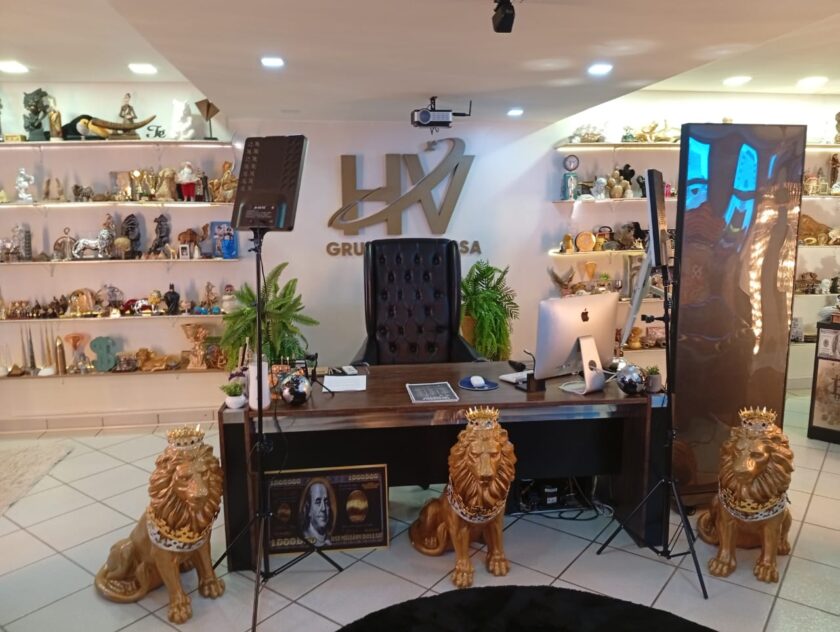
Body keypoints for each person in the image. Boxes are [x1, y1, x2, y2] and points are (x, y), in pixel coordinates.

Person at [301, 479, 333, 547]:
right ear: (308, 509)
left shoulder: (328, 538)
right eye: (318, 502)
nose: (323, 508)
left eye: (326, 502)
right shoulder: (305, 536)